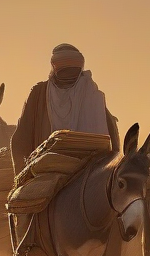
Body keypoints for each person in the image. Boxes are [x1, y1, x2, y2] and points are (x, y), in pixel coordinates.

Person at [11, 44, 117, 174]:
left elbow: (111, 134)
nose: (69, 76)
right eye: (65, 71)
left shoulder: (91, 94)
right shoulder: (40, 93)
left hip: (90, 169)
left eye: (72, 71)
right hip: (45, 170)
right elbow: (20, 138)